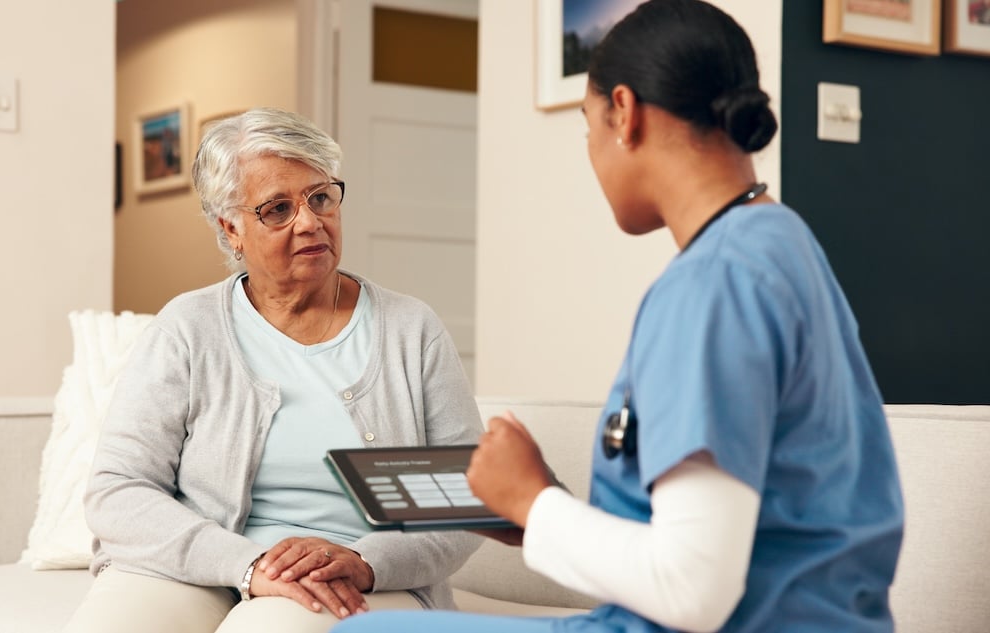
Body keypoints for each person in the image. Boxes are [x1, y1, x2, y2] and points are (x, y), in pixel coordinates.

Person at [333, 1, 904, 632]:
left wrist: (534, 501)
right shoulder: (780, 240)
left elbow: (692, 592)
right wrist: (532, 511)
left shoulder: (714, 285)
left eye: (587, 124)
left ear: (624, 114)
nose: (589, 151)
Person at [62, 107, 482, 633]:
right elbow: (119, 489)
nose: (309, 221)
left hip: (362, 581)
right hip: (204, 567)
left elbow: (463, 504)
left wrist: (365, 561)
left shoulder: (411, 330)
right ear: (231, 229)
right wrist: (246, 564)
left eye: (321, 198)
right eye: (277, 209)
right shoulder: (187, 329)